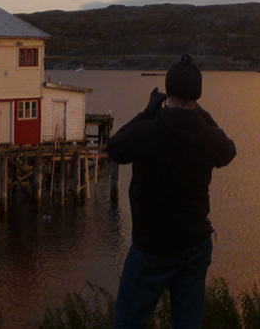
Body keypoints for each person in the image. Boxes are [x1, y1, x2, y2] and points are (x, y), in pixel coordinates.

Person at [107, 54, 237, 329]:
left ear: (167, 95)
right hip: (195, 245)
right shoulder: (206, 135)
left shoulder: (148, 130)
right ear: (196, 97)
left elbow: (115, 148)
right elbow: (228, 151)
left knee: (128, 323)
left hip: (151, 247)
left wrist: (148, 111)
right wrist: (200, 113)